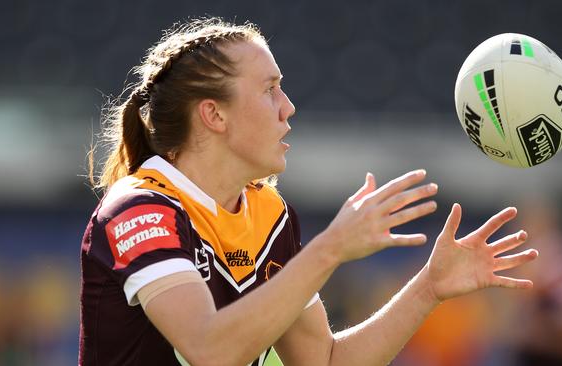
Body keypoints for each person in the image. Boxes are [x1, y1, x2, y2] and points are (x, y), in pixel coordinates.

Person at [80, 17, 538, 366]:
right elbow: (209, 349)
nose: (288, 107)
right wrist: (330, 249)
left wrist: (428, 290)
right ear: (214, 116)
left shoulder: (267, 212)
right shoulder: (139, 208)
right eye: (270, 90)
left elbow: (323, 360)